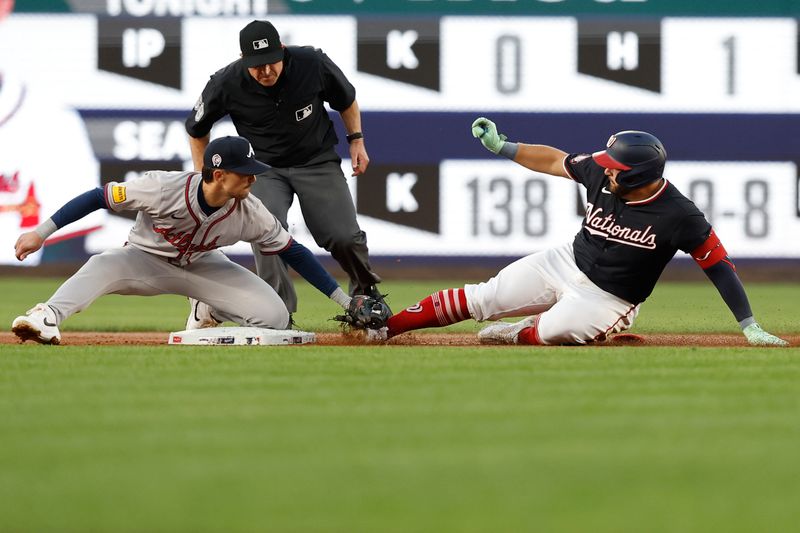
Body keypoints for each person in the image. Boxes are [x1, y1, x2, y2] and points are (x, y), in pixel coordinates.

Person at [350, 118, 788, 347]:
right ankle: (386, 328)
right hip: (566, 260)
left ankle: (526, 329)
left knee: (548, 334)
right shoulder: (601, 170)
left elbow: (720, 268)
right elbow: (554, 160)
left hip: (610, 297)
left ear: (640, 177)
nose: (606, 168)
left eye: (617, 168)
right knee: (484, 296)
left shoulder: (680, 216)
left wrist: (749, 326)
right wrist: (504, 147)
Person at [11, 136, 358, 345]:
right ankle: (47, 315)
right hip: (143, 261)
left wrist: (345, 302)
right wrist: (41, 233)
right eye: (245, 171)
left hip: (203, 266)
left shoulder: (251, 210)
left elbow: (293, 252)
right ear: (219, 175)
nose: (253, 176)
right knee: (102, 263)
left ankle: (206, 307)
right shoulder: (162, 188)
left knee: (275, 317)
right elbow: (97, 197)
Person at [185, 19, 385, 320]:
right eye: (256, 65)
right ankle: (277, 313)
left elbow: (346, 99)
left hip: (316, 159)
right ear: (243, 60)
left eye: (270, 62)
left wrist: (356, 140)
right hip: (262, 170)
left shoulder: (312, 63)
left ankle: (366, 293)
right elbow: (197, 128)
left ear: (282, 49)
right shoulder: (226, 81)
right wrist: (205, 177)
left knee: (343, 235)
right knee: (266, 232)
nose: (265, 71)